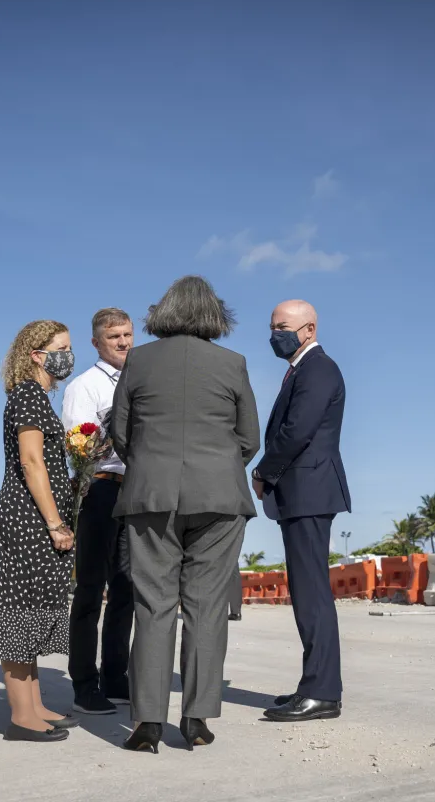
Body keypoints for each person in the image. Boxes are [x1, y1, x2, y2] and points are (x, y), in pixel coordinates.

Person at [110, 276, 260, 753]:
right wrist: (215, 465)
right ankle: (195, 719)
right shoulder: (233, 364)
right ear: (215, 315)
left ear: (164, 312)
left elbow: (121, 432)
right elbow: (249, 439)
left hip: (150, 494)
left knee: (152, 605)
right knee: (207, 606)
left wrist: (153, 465)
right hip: (219, 496)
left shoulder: (138, 360)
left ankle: (147, 723)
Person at [0, 320, 79, 743]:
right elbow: (31, 462)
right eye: (61, 348)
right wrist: (55, 522)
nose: (67, 356)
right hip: (27, 522)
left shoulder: (34, 398)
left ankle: (34, 706)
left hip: (32, 519)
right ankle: (21, 716)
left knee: (32, 613)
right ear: (36, 354)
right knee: (19, 614)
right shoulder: (28, 395)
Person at [252, 300, 351, 723]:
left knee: (312, 595)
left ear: (308, 329)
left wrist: (263, 471)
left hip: (309, 491)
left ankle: (322, 693)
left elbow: (296, 432)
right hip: (303, 492)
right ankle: (314, 684)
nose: (275, 334)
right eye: (273, 326)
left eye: (283, 327)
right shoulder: (301, 368)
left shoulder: (318, 369)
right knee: (307, 593)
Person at [61, 308, 135, 715]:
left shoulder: (142, 381)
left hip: (137, 493)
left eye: (127, 334)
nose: (123, 342)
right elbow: (80, 450)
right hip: (101, 492)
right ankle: (84, 683)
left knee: (126, 589)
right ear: (96, 343)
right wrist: (118, 438)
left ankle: (115, 676)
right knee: (90, 590)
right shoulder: (83, 387)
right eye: (114, 337)